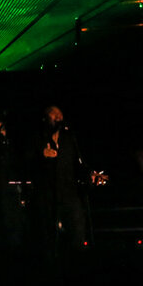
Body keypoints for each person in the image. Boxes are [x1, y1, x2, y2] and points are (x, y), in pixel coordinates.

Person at [27, 106, 104, 255]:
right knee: (48, 235)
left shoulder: (69, 137)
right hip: (46, 193)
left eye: (59, 113)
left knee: (76, 228)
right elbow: (25, 162)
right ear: (45, 117)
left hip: (69, 191)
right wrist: (42, 155)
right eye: (53, 114)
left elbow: (78, 162)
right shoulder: (37, 138)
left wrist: (89, 174)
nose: (57, 116)